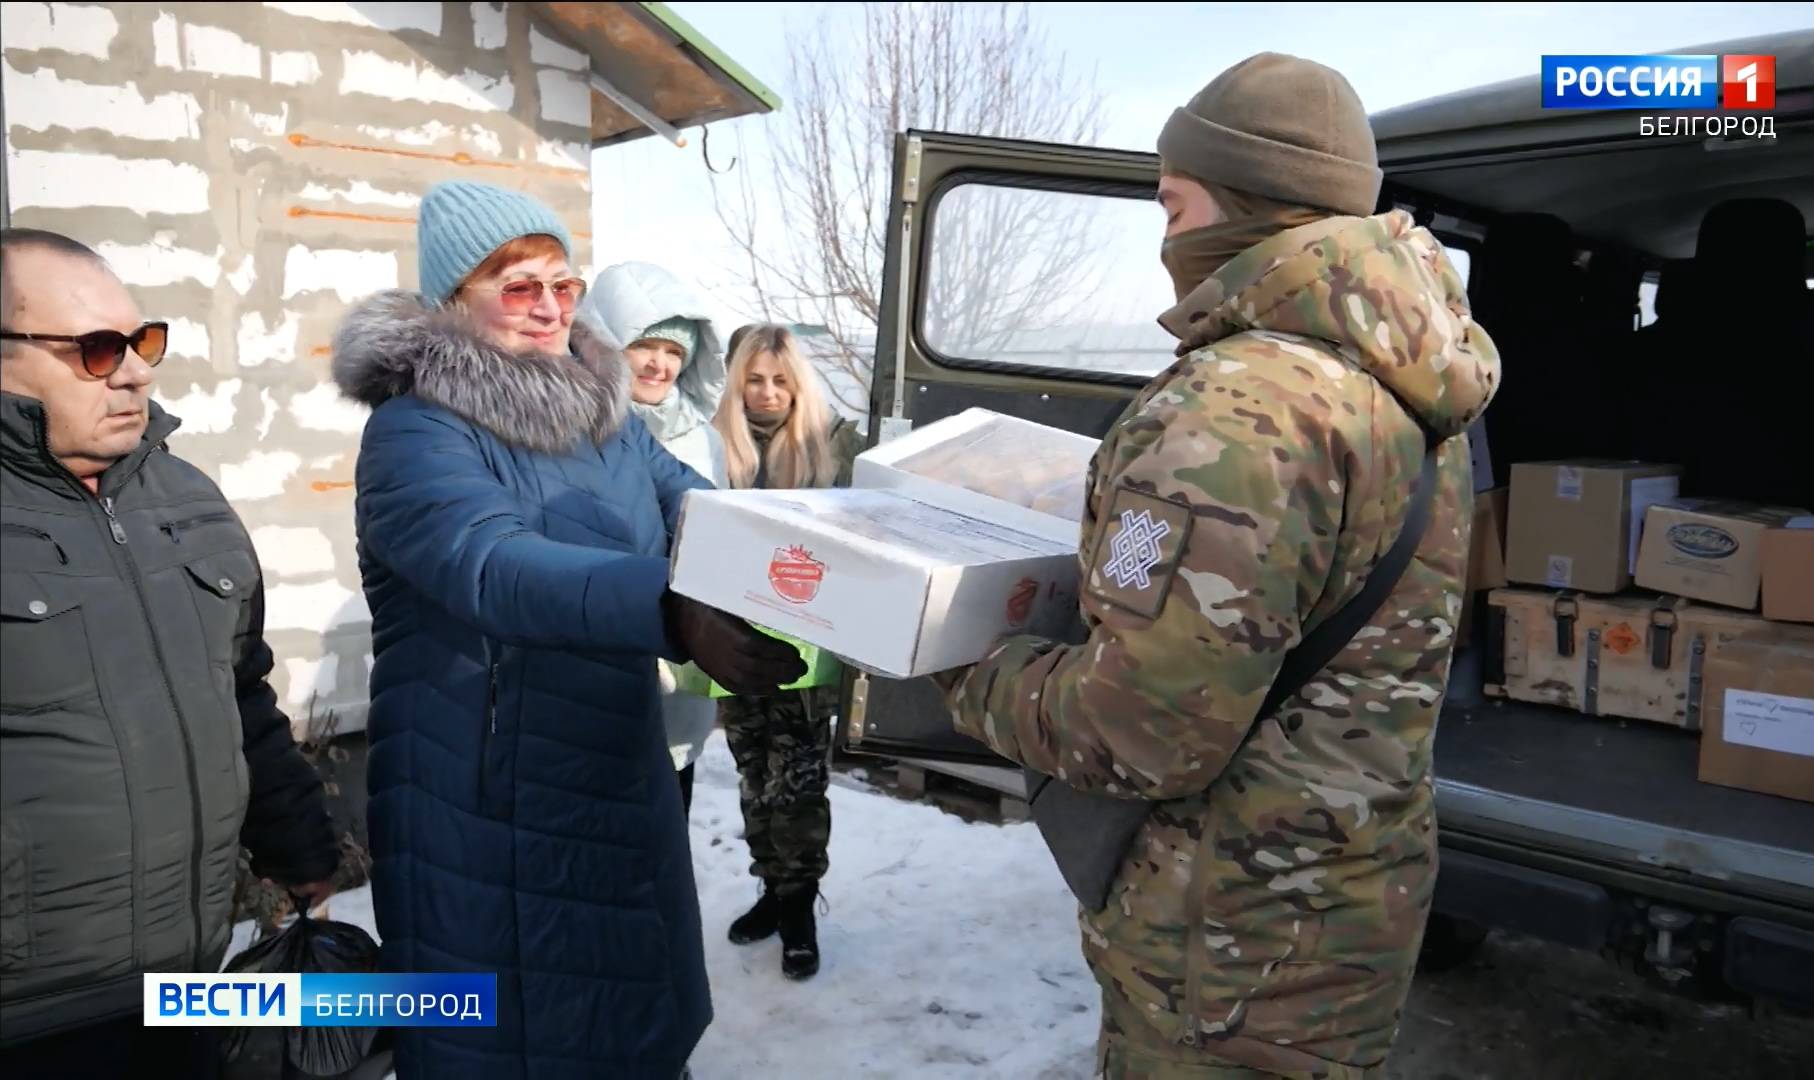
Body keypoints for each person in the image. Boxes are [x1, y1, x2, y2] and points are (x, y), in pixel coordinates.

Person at [935, 55, 1501, 1077]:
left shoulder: (1230, 412)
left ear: (1241, 203)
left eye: (1173, 200)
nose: (1165, 234)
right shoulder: (1411, 381)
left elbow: (1143, 733)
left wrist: (959, 663)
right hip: (1344, 900)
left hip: (1227, 938)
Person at [330, 181, 804, 1078]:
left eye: (563, 284)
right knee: (509, 1033)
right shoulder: (416, 429)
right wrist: (670, 608)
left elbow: (695, 510)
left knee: (627, 1012)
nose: (549, 307)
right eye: (518, 286)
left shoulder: (604, 419)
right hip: (484, 798)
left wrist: (810, 567)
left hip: (610, 767)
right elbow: (490, 563)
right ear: (452, 300)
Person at [0, 228, 340, 1078]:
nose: (136, 371)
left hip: (186, 981)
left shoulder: (186, 501)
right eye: (96, 349)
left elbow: (239, 694)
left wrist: (298, 844)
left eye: (142, 341)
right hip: (31, 1016)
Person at [710, 323, 861, 981]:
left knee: (797, 780)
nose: (767, 393)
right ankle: (771, 891)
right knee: (752, 776)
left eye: (780, 380)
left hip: (807, 646)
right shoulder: (716, 448)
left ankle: (799, 904)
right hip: (733, 642)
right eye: (754, 379)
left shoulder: (832, 446)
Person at [578, 261, 730, 816]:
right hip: (601, 650)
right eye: (646, 345)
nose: (660, 363)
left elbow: (722, 535)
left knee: (666, 824)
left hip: (681, 665)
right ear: (607, 342)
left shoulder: (702, 440)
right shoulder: (577, 427)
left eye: (675, 352)